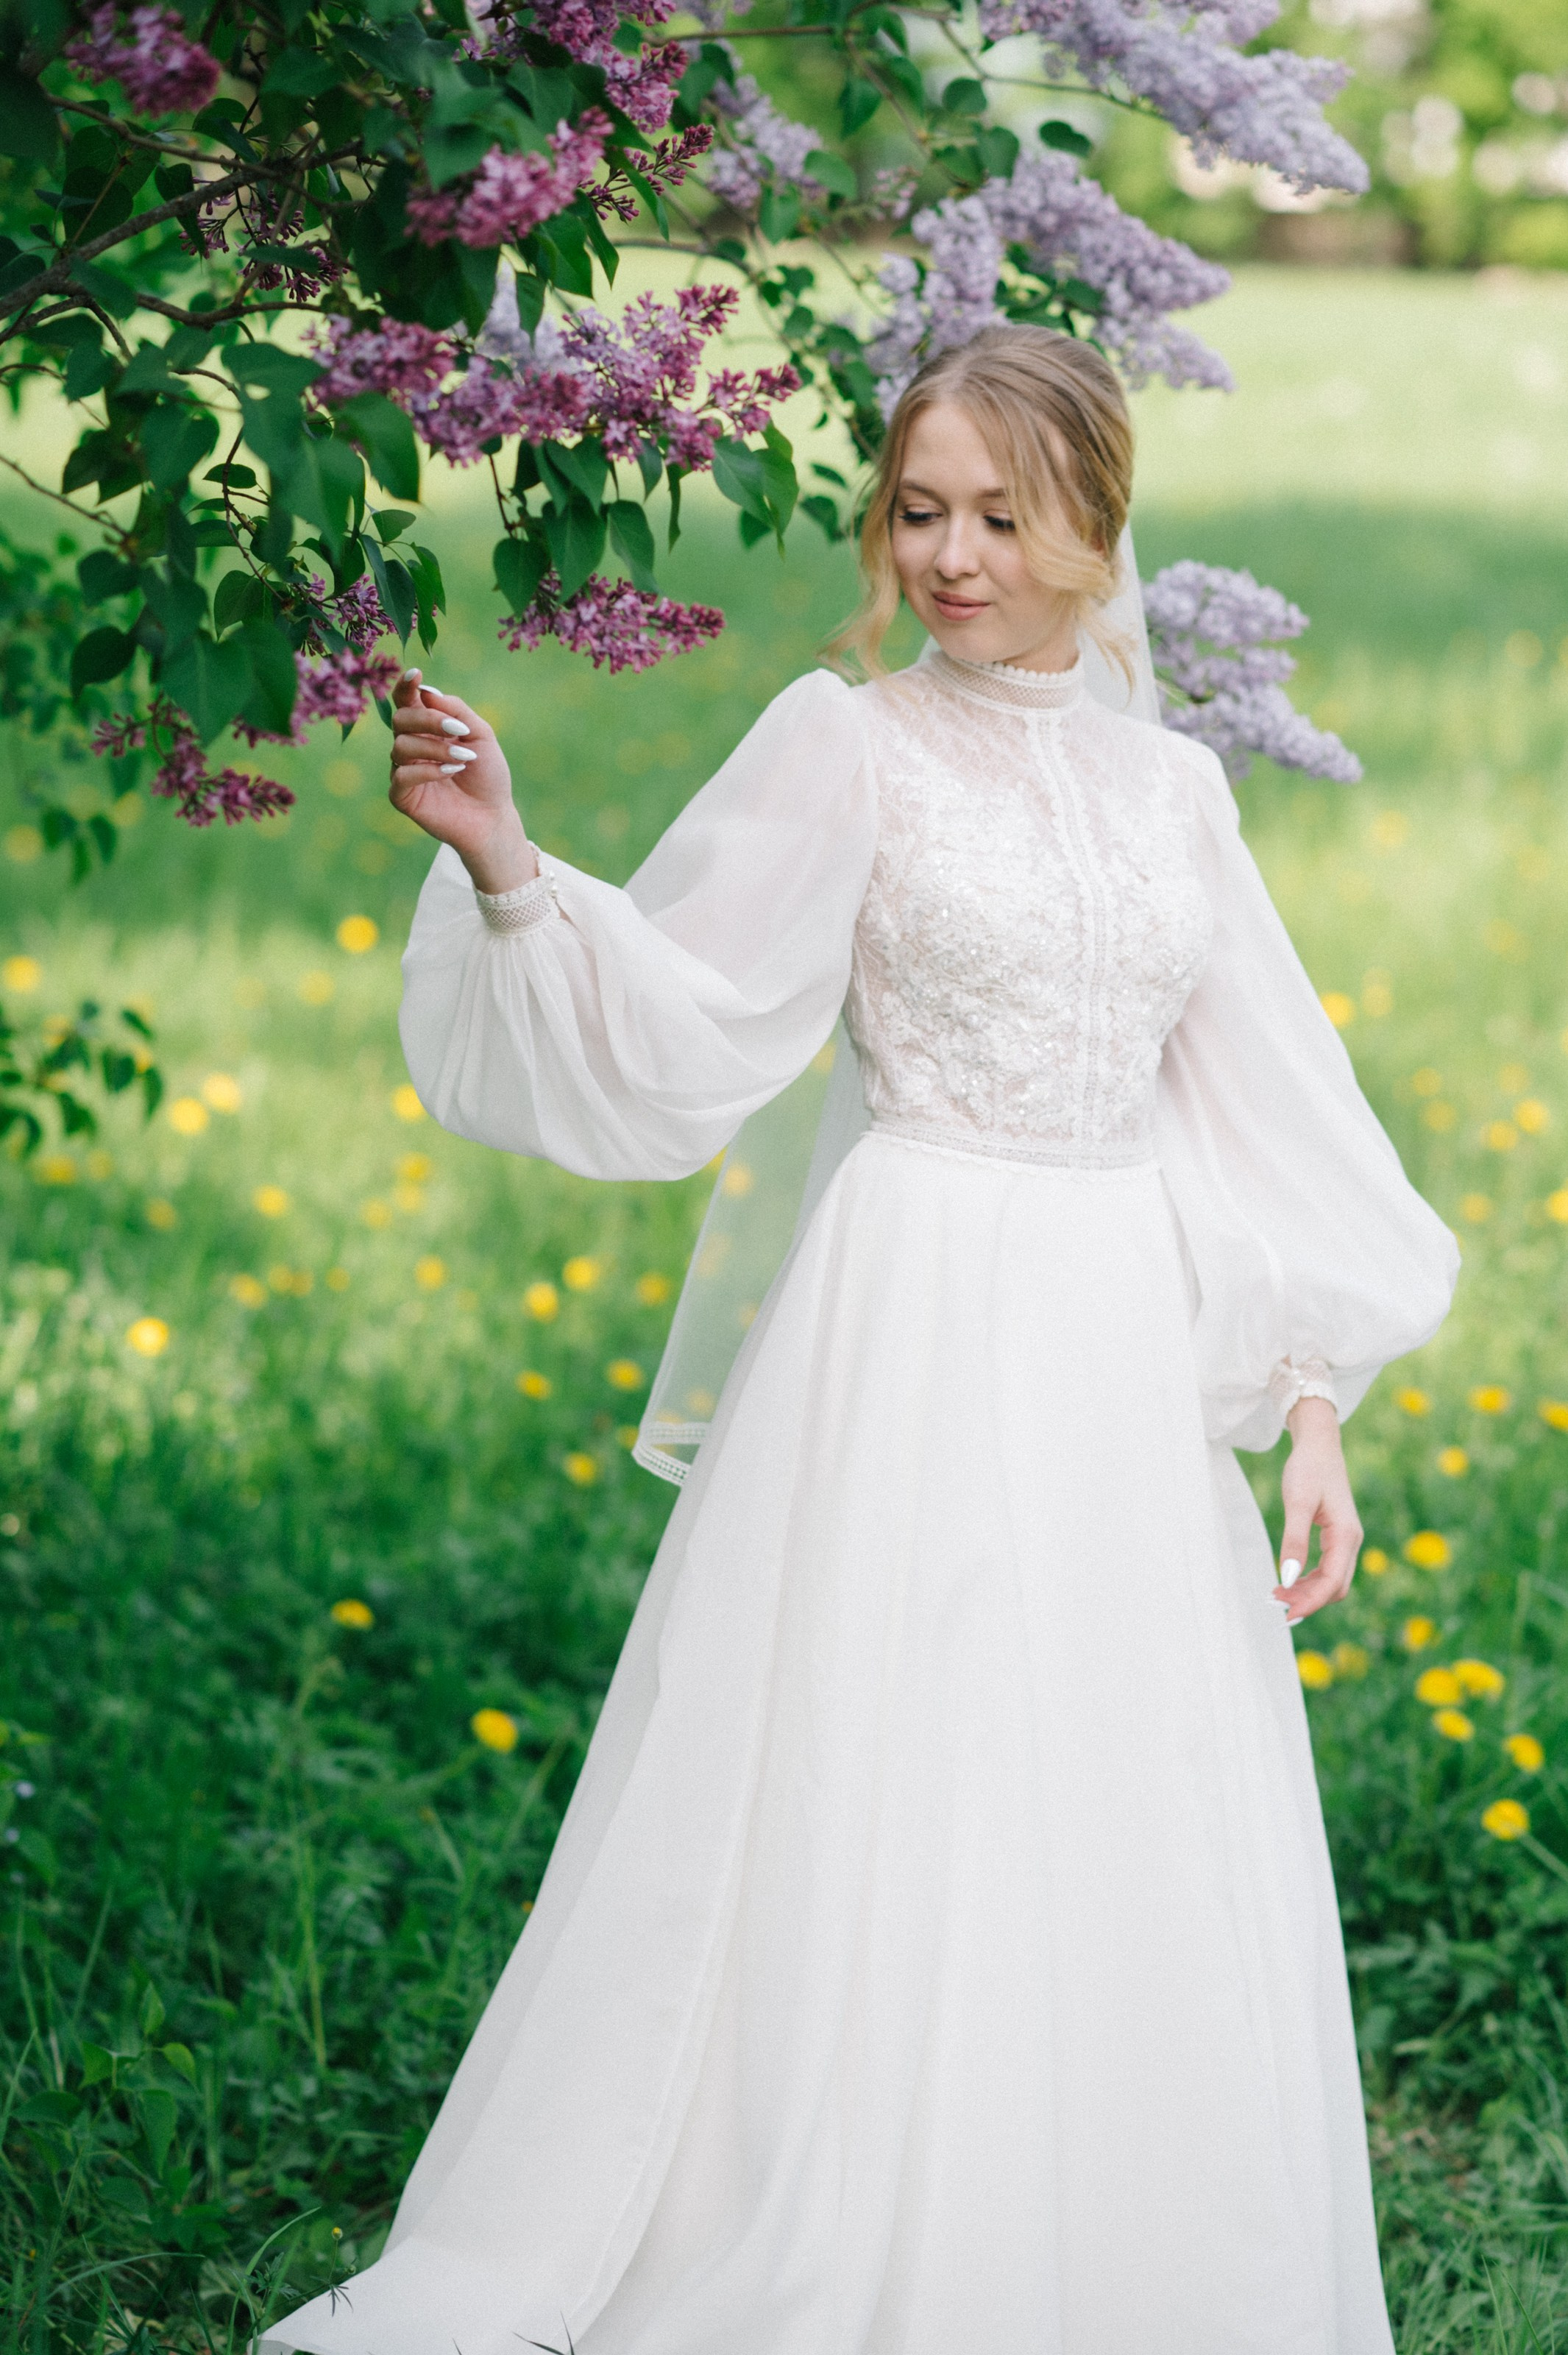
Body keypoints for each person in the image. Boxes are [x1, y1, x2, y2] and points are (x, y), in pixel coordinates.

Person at [266, 322, 1457, 2355]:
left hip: (1115, 1350)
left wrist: (1308, 1402)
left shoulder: (1174, 795)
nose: (955, 556)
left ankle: (1101, 2237)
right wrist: (512, 870)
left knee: (1107, 1780)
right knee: (872, 1756)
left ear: (1096, 517)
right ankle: (811, 2205)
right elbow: (692, 1015)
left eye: (1004, 513)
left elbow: (1251, 1113)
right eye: (919, 511)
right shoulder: (848, 743)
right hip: (906, 1304)